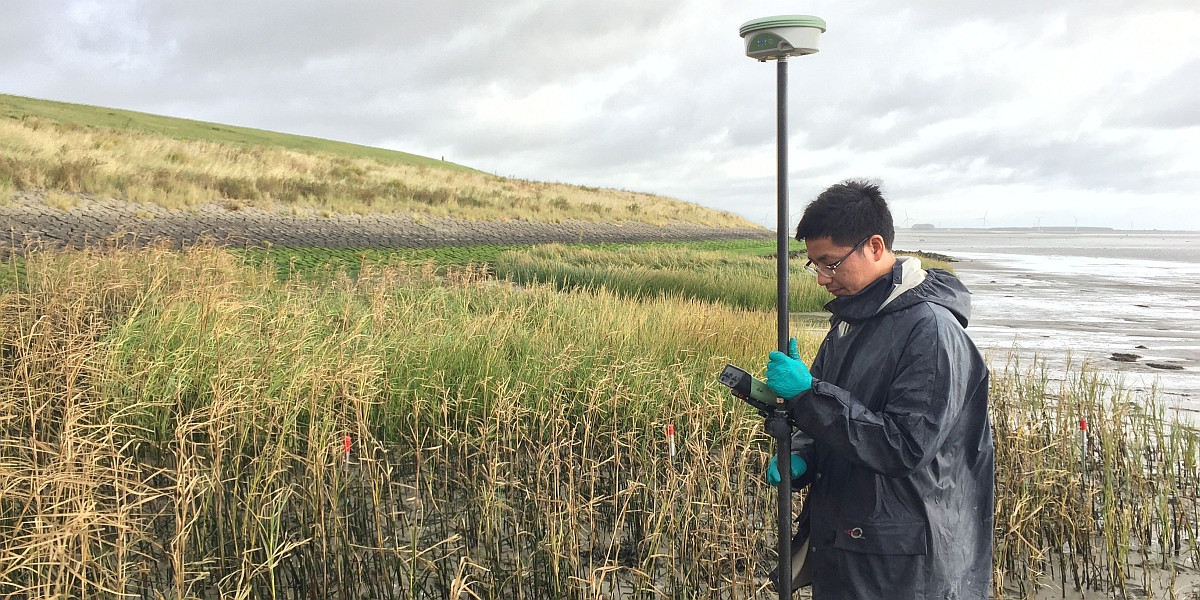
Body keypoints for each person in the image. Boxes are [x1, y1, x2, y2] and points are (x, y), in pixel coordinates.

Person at [763, 180, 994, 599]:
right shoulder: (849, 323)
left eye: (830, 263)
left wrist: (807, 395)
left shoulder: (931, 332)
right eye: (813, 264)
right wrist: (800, 453)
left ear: (874, 246)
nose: (820, 278)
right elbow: (827, 418)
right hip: (847, 548)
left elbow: (903, 445)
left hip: (905, 569)